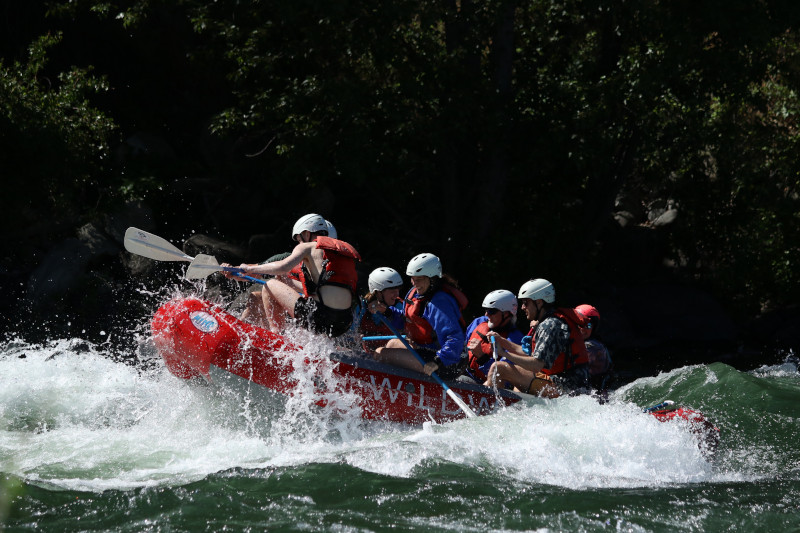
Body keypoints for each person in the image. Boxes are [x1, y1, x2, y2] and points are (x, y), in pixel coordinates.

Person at [226, 213, 361, 337]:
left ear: (306, 234)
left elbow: (282, 267)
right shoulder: (343, 255)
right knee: (278, 281)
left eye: (299, 239)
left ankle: (276, 337)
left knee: (270, 284)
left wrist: (248, 269)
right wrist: (236, 270)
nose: (299, 243)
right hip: (342, 325)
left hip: (319, 318)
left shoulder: (307, 247)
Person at [484, 279, 590, 397]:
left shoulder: (551, 325)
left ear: (539, 302)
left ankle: (483, 403)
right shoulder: (552, 321)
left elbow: (536, 365)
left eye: (526, 303)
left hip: (565, 388)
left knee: (498, 368)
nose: (523, 307)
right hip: (568, 385)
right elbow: (530, 353)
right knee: (517, 385)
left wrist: (503, 353)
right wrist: (502, 341)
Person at [374, 253, 467, 379]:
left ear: (432, 279)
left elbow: (455, 337)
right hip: (430, 352)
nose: (414, 283)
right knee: (391, 344)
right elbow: (408, 322)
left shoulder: (440, 302)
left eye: (419, 279)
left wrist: (437, 361)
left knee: (380, 354)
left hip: (448, 362)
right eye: (413, 278)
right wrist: (387, 312)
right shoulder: (418, 294)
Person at [463, 290, 524, 383]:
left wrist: (482, 357)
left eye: (491, 311)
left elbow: (504, 379)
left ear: (506, 314)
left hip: (486, 385)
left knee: (462, 380)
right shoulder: (479, 322)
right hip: (464, 373)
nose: (486, 314)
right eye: (486, 310)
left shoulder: (515, 340)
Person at [358, 267, 405, 352]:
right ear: (378, 292)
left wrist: (386, 311)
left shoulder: (400, 306)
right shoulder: (362, 307)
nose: (397, 294)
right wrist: (356, 336)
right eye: (392, 290)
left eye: (398, 289)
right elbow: (350, 333)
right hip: (365, 357)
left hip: (391, 359)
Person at [575, 303, 613, 391]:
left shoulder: (593, 346)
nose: (582, 329)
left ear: (593, 328)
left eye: (588, 325)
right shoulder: (579, 343)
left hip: (597, 396)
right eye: (580, 324)